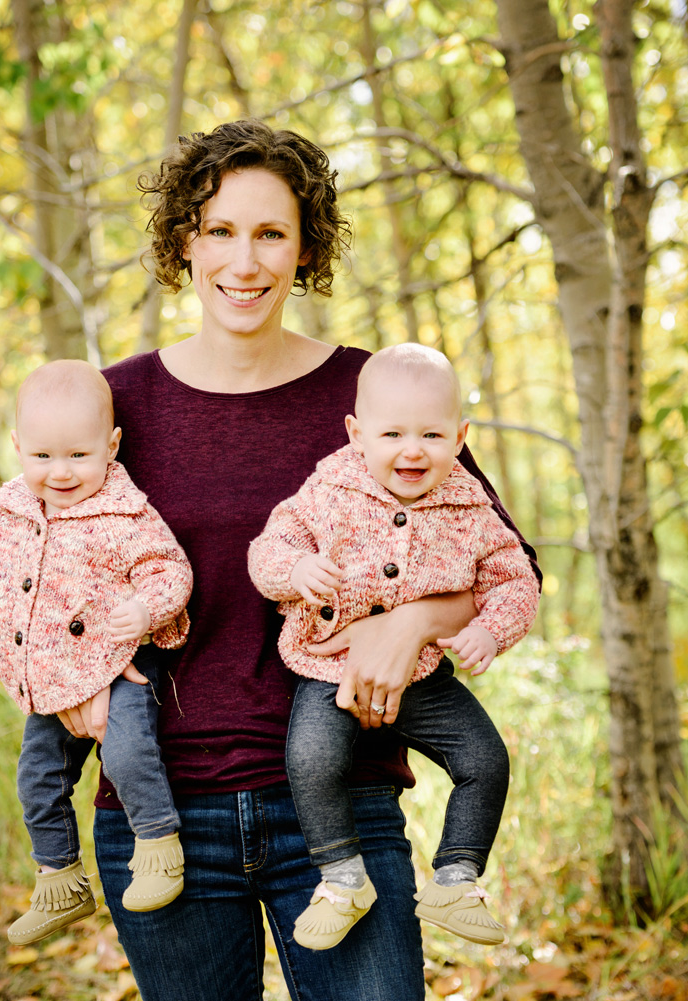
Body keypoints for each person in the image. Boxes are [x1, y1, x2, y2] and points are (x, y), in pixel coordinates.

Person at [64, 120, 537, 1001]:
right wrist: (75, 687)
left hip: (342, 798)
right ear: (184, 241)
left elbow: (507, 562)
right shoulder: (116, 402)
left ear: (305, 246)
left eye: (271, 232)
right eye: (220, 231)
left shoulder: (380, 396)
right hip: (164, 813)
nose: (244, 261)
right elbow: (40, 573)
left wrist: (415, 622)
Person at [248, 343, 539, 951]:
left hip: (425, 672)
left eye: (432, 434)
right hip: (329, 666)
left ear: (460, 437)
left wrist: (491, 628)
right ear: (358, 433)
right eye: (394, 433)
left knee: (485, 760)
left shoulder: (469, 506)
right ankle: (341, 878)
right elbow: (272, 545)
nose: (413, 450)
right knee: (311, 760)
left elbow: (515, 577)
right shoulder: (329, 490)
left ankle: (456, 879)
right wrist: (296, 569)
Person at [0, 360, 193, 947]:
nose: (60, 473)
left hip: (114, 667)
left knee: (128, 754)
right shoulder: (11, 513)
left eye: (77, 456)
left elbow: (171, 570)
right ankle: (59, 880)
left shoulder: (125, 515)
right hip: (44, 677)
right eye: (42, 457)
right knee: (37, 780)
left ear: (110, 447)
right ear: (17, 447)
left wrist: (145, 609)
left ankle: (160, 846)